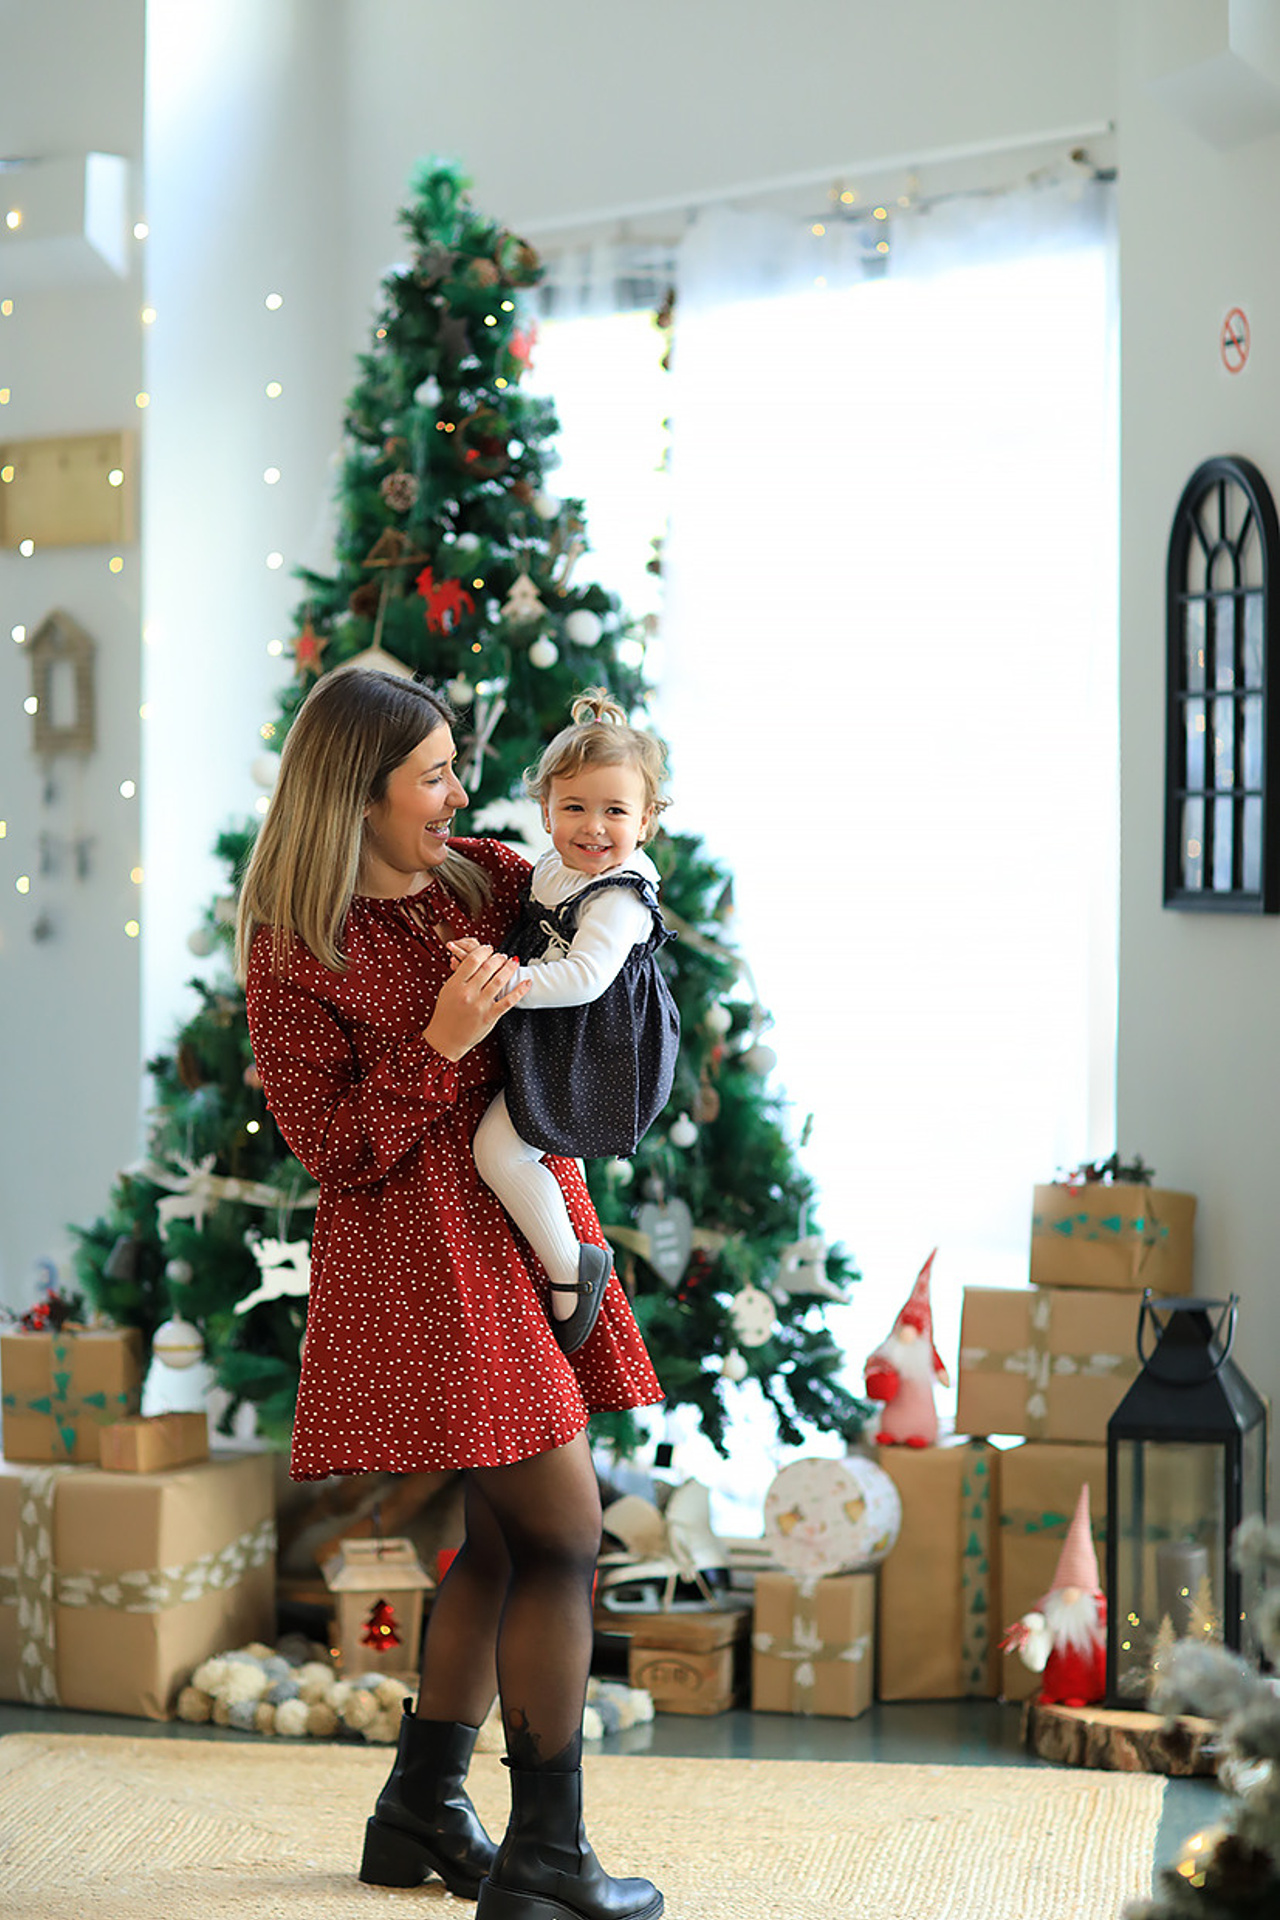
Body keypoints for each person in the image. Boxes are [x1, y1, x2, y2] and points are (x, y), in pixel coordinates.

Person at [236, 665, 665, 1920]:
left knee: (501, 1537)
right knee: (563, 1536)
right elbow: (331, 1148)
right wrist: (439, 1046)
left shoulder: (479, 874)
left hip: (517, 1231)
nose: (460, 792)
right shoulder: (293, 946)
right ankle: (545, 1860)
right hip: (425, 1265)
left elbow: (599, 897)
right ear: (356, 798)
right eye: (431, 775)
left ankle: (420, 1807)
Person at [452, 689, 680, 1357]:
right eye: (573, 807)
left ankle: (571, 1268)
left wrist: (501, 982)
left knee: (500, 1149)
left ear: (645, 822)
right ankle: (563, 1252)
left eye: (615, 811)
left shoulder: (618, 896)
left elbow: (583, 977)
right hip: (561, 1035)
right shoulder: (556, 866)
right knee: (516, 1145)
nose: (593, 827)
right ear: (545, 810)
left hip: (600, 1046)